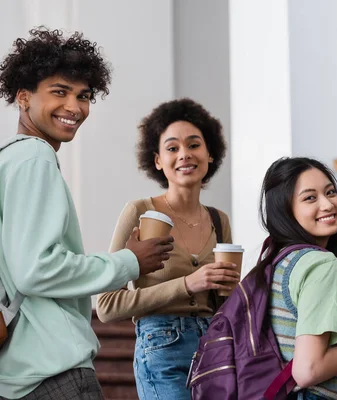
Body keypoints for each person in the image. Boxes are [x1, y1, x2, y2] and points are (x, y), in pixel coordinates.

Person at [0, 27, 173, 399]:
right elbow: (36, 270)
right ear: (24, 96)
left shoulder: (8, 161)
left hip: (17, 375)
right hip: (53, 373)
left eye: (84, 96)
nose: (75, 107)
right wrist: (129, 262)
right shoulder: (34, 157)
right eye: (59, 92)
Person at [96, 98, 237, 400]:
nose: (184, 154)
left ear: (210, 153)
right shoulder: (139, 212)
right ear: (158, 160)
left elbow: (225, 301)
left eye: (194, 145)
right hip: (161, 347)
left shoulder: (218, 220)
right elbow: (107, 305)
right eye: (172, 148)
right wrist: (187, 284)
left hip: (213, 348)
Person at [248, 157, 337, 399]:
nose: (328, 204)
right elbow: (307, 370)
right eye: (310, 198)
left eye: (330, 192)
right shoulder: (322, 264)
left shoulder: (274, 259)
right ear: (286, 210)